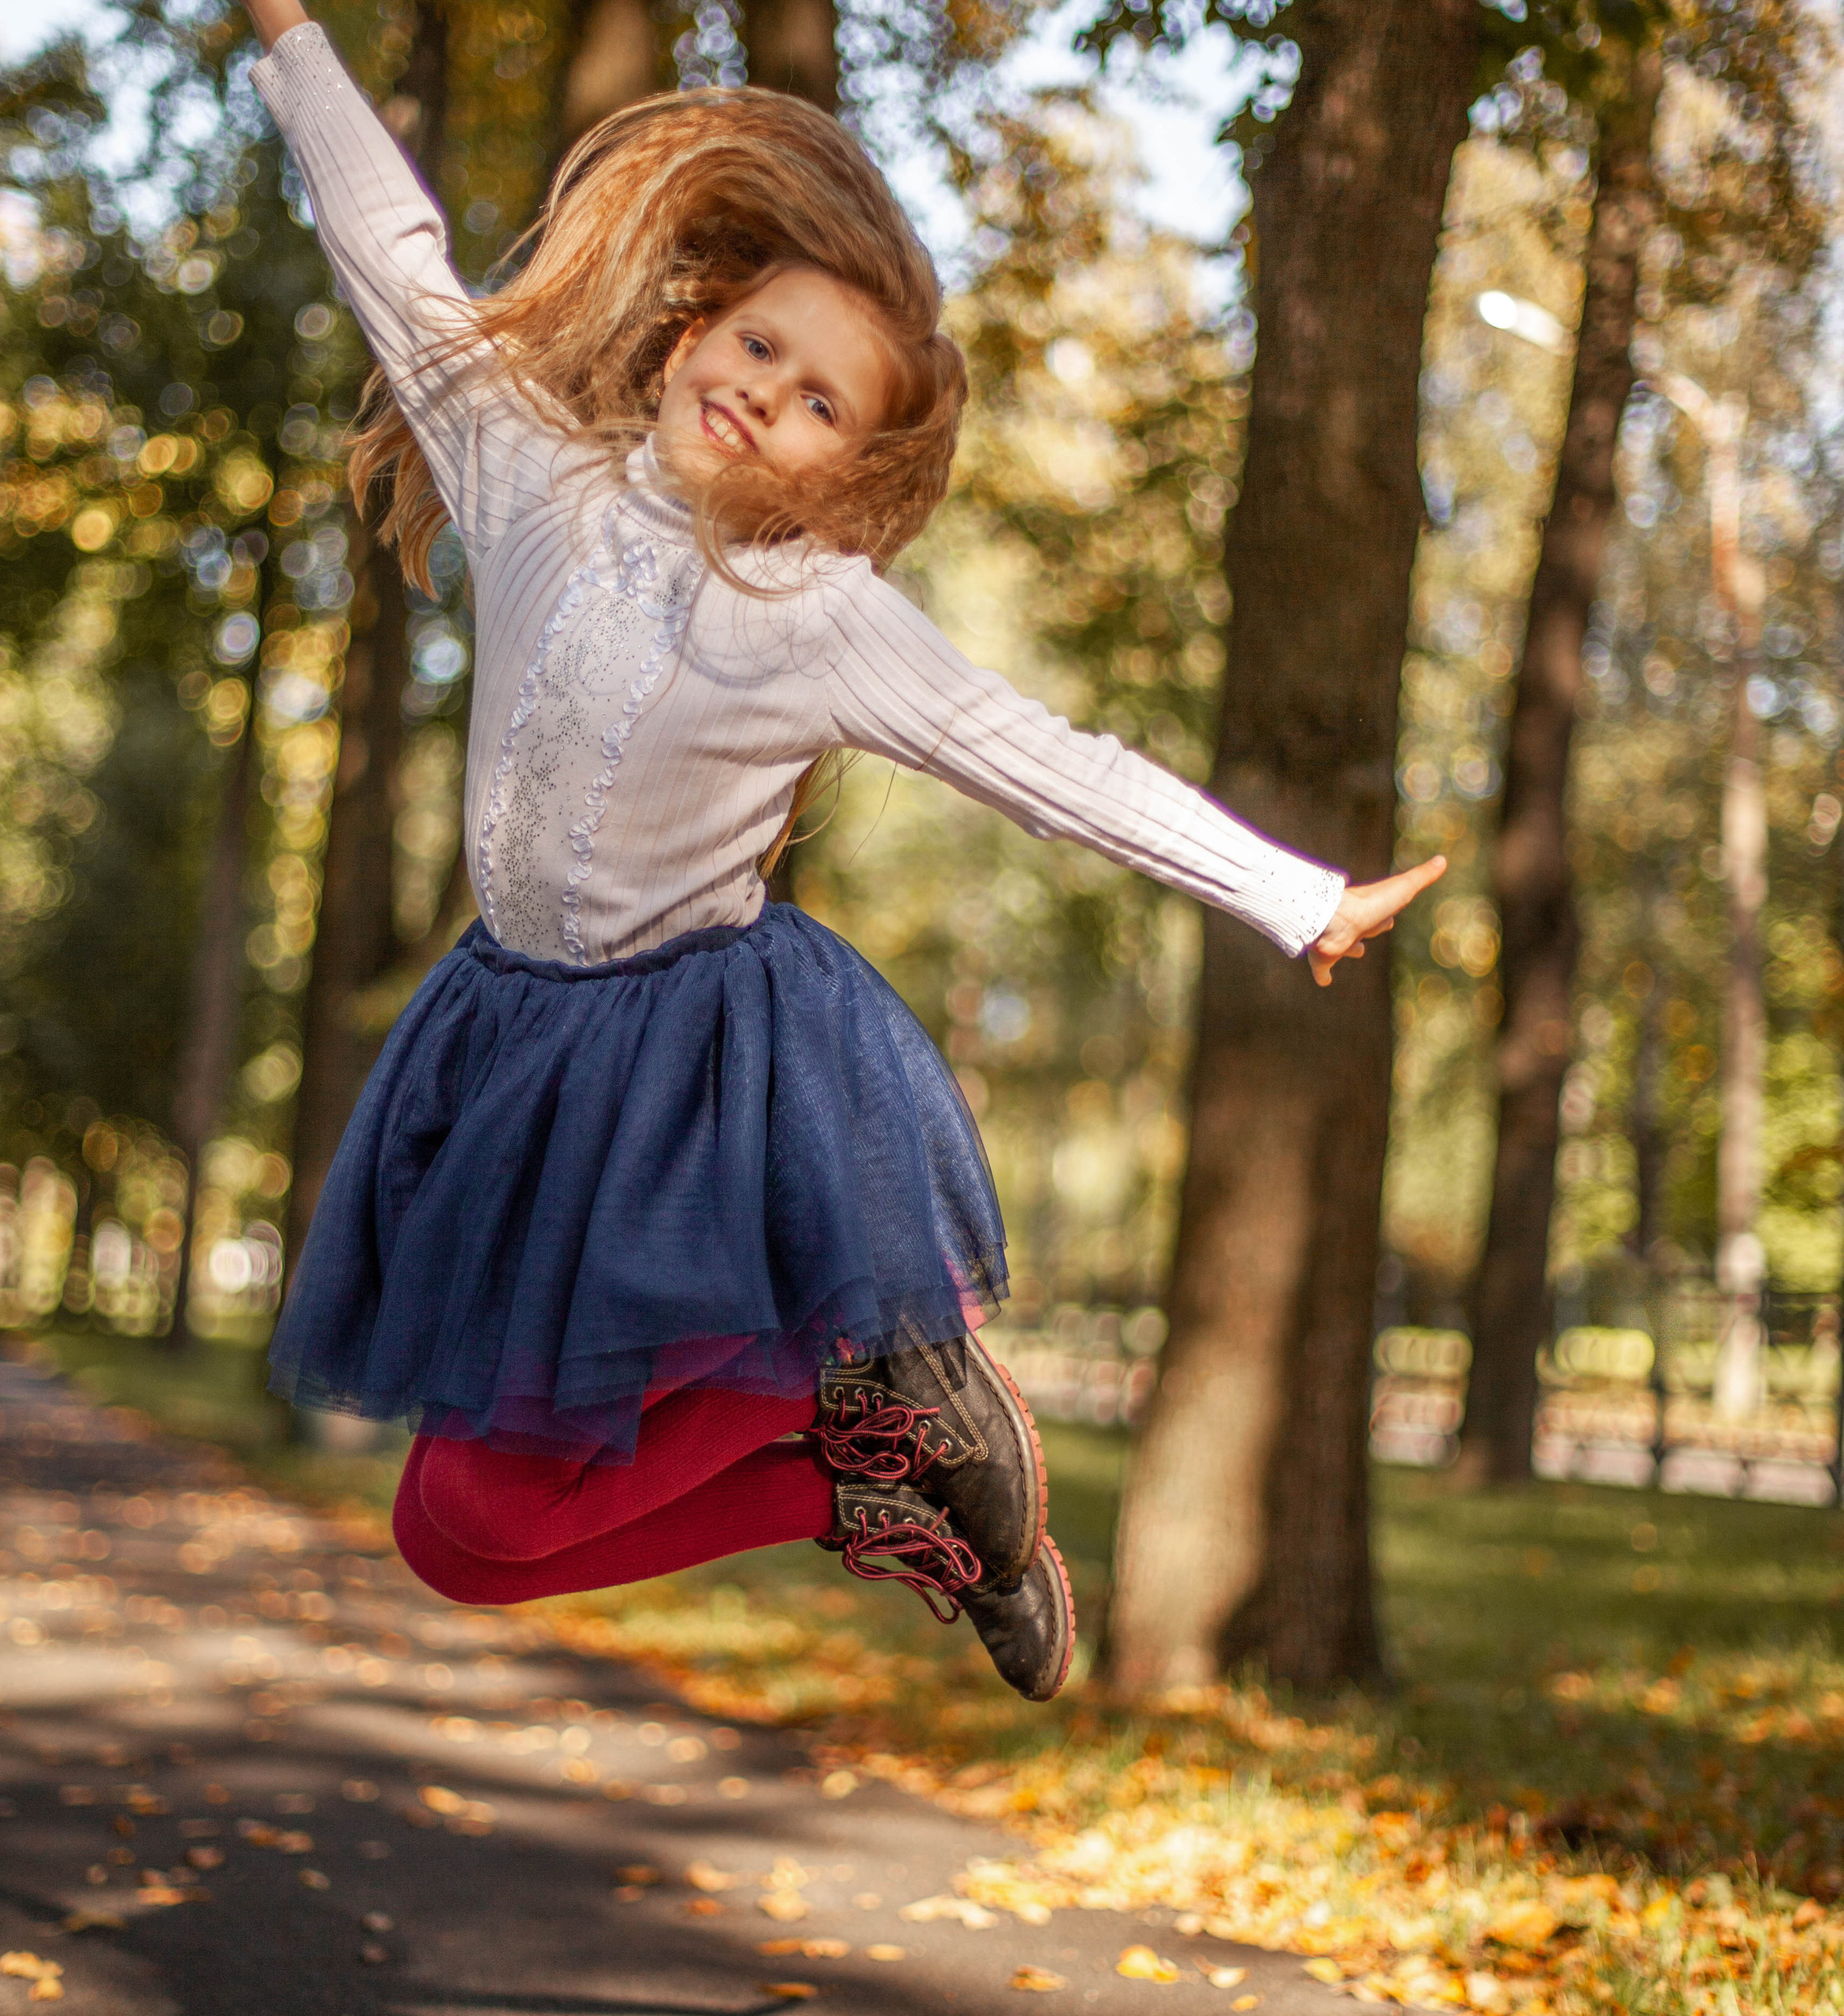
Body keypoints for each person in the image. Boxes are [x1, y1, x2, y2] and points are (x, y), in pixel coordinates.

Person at [236, 0, 1445, 1703]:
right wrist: (288, 35)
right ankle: (877, 1478)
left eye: (817, 404)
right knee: (456, 1535)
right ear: (680, 339)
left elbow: (1032, 755)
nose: (764, 397)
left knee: (483, 1510)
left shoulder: (809, 612)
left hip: (688, 1078)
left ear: (840, 474)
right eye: (754, 348)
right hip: (512, 1054)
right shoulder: (527, 469)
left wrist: (1289, 891)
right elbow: (393, 251)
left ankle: (852, 1384)